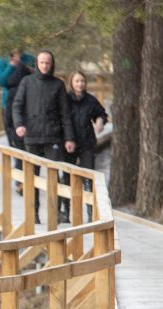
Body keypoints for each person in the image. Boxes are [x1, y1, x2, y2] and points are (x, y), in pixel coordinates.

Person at [11, 50, 76, 224]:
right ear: (37, 64)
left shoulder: (58, 85)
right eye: (42, 63)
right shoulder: (27, 82)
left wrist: (69, 138)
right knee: (32, 178)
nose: (45, 66)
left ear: (52, 64)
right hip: (31, 137)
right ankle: (34, 216)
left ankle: (55, 214)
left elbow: (65, 114)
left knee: (53, 177)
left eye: (48, 63)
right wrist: (19, 125)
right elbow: (17, 106)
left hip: (53, 138)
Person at [61, 70, 108, 221]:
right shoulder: (65, 99)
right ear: (71, 83)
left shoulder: (90, 100)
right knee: (67, 177)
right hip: (69, 143)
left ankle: (90, 215)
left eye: (82, 81)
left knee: (88, 177)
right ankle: (66, 213)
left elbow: (101, 113)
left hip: (87, 142)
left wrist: (100, 120)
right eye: (77, 81)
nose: (80, 84)